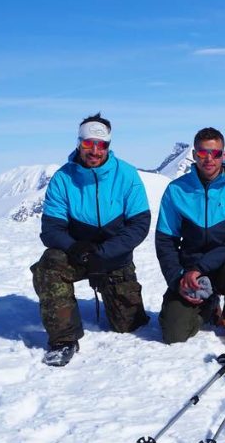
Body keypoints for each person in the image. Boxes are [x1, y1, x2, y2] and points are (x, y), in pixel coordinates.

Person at [32, 113, 150, 367]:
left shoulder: (127, 175)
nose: (95, 151)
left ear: (108, 145)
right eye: (88, 144)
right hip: (77, 254)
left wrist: (105, 253)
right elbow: (50, 229)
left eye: (101, 145)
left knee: (129, 325)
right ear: (79, 144)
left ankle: (115, 294)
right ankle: (63, 339)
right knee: (49, 264)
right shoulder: (63, 178)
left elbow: (139, 225)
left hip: (114, 257)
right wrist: (75, 248)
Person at [155, 127, 225, 345]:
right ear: (194, 155)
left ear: (224, 155)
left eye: (215, 153)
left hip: (224, 268)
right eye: (202, 153)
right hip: (190, 272)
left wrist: (202, 267)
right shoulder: (177, 190)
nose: (209, 159)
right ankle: (209, 306)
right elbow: (165, 241)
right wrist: (177, 280)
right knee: (174, 334)